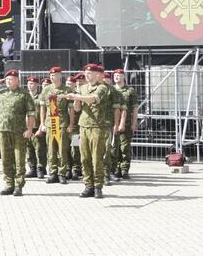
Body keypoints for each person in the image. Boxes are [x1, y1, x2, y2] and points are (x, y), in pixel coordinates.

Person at [65, 64, 120, 199]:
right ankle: (88, 185)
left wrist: (77, 97)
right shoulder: (83, 88)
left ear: (98, 75)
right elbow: (77, 109)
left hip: (97, 126)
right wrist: (76, 97)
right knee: (85, 158)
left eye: (90, 73)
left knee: (97, 158)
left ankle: (98, 186)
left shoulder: (103, 88)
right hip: (84, 126)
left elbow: (93, 99)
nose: (87, 75)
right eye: (86, 73)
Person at [0, 70, 35, 196]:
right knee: (6, 159)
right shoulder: (1, 93)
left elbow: (31, 113)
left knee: (19, 159)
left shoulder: (24, 94)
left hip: (19, 131)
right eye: (6, 80)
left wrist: (29, 129)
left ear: (17, 80)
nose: (8, 81)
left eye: (11, 79)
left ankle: (18, 185)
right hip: (3, 130)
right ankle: (9, 184)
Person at [40, 68, 74, 184]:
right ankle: (53, 172)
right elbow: (43, 107)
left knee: (62, 149)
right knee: (51, 149)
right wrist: (42, 123)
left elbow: (71, 109)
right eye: (51, 75)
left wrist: (71, 124)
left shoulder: (67, 90)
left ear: (60, 75)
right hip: (50, 123)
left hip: (62, 123)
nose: (52, 77)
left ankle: (62, 173)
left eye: (54, 75)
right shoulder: (46, 90)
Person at [111, 69, 137, 179]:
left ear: (123, 77)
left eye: (119, 75)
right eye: (115, 75)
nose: (117, 77)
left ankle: (125, 169)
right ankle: (116, 168)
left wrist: (134, 124)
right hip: (113, 123)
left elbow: (135, 108)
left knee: (125, 147)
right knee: (114, 147)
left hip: (126, 124)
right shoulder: (111, 90)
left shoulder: (130, 91)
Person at [24, 76, 47, 179]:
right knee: (29, 149)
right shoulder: (25, 96)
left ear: (37, 85)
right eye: (28, 83)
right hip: (27, 126)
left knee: (40, 149)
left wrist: (42, 126)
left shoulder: (41, 96)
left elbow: (45, 112)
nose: (30, 85)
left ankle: (41, 168)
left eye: (32, 83)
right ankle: (32, 168)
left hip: (37, 126)